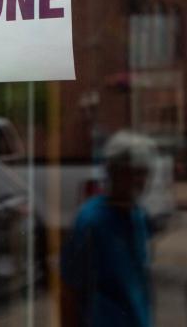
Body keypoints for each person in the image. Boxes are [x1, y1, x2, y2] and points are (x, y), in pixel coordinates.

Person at [60, 130, 154, 327]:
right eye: (131, 172)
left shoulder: (138, 216)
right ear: (113, 172)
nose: (139, 180)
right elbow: (69, 291)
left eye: (143, 172)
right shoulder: (92, 221)